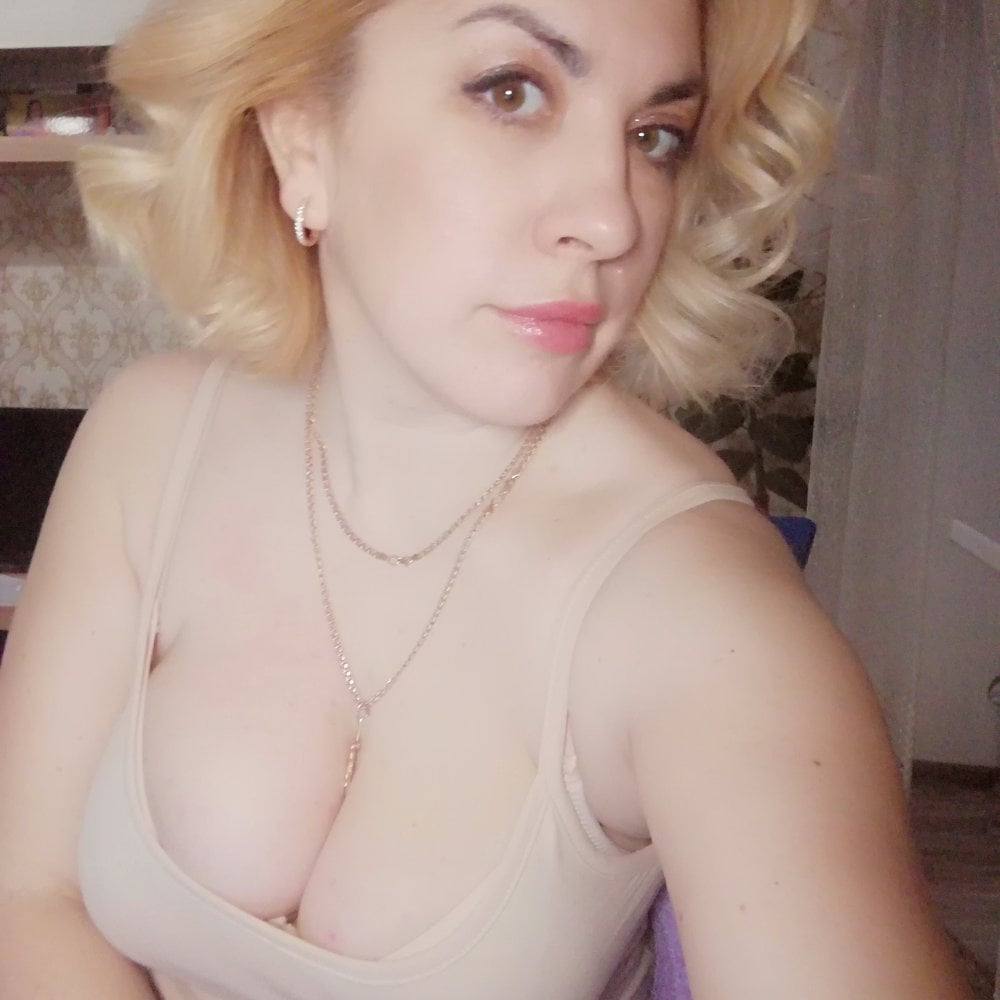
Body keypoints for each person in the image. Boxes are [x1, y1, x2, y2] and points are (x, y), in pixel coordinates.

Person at [0, 1, 973, 998]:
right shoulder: (152, 439)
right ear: (302, 140)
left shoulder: (704, 615)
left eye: (654, 136)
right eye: (511, 92)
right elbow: (32, 896)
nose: (613, 219)